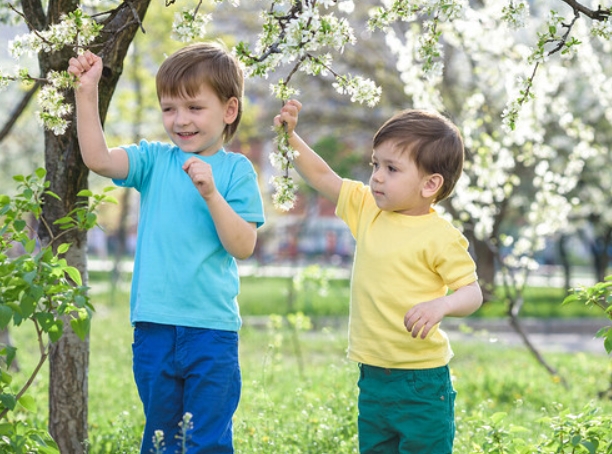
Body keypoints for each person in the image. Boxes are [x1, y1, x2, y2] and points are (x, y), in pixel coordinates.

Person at [68, 42, 265, 453]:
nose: (180, 120)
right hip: (154, 327)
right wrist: (86, 92)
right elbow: (99, 159)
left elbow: (243, 245)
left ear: (229, 111)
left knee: (206, 440)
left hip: (211, 331)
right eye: (169, 108)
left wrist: (211, 193)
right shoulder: (154, 160)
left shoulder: (235, 171)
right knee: (160, 439)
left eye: (194, 108)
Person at [274, 100, 483, 454]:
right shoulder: (368, 208)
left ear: (430, 184)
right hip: (372, 375)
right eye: (375, 164)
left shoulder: (439, 235)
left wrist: (441, 305)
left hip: (421, 381)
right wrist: (290, 137)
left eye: (392, 168)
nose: (377, 176)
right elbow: (324, 176)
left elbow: (472, 292)